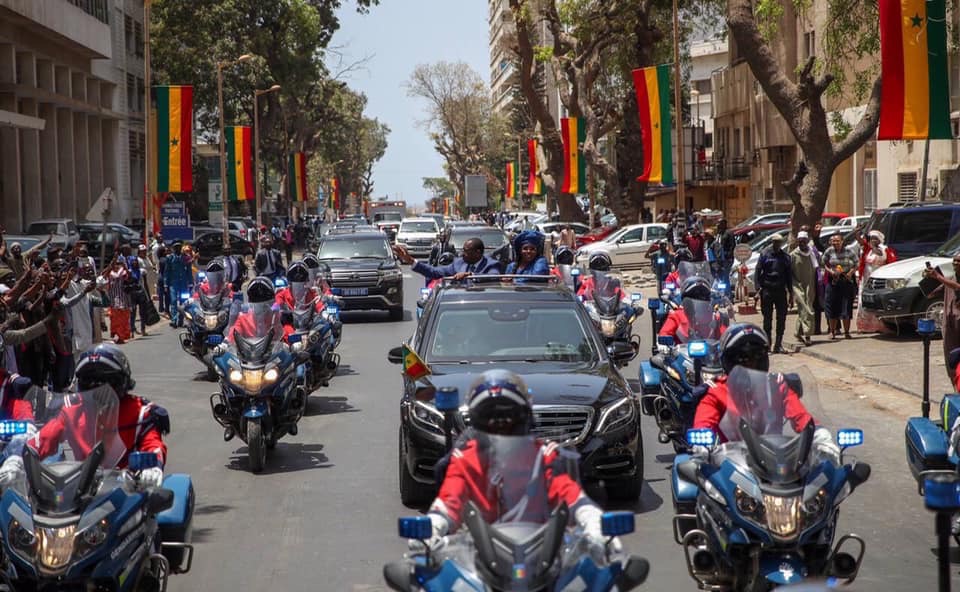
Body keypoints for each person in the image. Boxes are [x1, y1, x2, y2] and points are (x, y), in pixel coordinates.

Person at [421, 370, 609, 551]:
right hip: (478, 556)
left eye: (509, 419)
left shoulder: (543, 455)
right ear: (477, 423)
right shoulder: (465, 459)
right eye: (490, 420)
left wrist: (594, 523)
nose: (499, 427)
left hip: (542, 554)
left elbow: (572, 496)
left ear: (525, 418)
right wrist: (432, 528)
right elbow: (449, 502)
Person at [692, 323, 838, 462]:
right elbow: (703, 424)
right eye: (742, 359)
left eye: (757, 357)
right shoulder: (716, 391)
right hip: (731, 467)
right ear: (728, 362)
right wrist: (702, 446)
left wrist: (821, 436)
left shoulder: (777, 385)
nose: (750, 364)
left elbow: (801, 417)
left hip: (776, 463)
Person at [27, 344, 168, 484]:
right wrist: (20, 458)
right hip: (82, 489)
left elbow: (153, 444)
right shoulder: (72, 411)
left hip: (128, 488)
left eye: (105, 381)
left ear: (122, 381)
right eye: (89, 381)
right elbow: (43, 439)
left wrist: (153, 467)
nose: (96, 387)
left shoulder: (140, 412)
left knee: (174, 487)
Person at [923, 254, 960, 381]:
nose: (955, 263)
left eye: (958, 261)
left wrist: (938, 276)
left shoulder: (949, 281)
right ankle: (955, 382)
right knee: (950, 353)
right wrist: (929, 279)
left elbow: (957, 287)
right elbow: (930, 294)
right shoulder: (949, 279)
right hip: (949, 323)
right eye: (954, 261)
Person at [754, 233, 793, 353]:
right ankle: (768, 343)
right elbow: (758, 271)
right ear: (772, 242)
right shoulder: (765, 254)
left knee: (781, 318)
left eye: (779, 242)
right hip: (767, 290)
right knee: (767, 318)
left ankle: (778, 344)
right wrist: (757, 288)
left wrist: (791, 294)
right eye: (775, 242)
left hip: (780, 291)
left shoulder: (785, 257)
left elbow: (789, 276)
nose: (777, 244)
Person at [394, 238, 500, 282]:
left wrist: (470, 275)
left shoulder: (491, 264)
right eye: (463, 250)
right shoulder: (458, 263)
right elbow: (434, 272)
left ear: (478, 252)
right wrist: (410, 260)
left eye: (466, 251)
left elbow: (494, 276)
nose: (462, 254)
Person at [658, 277, 726, 343]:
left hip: (710, 350)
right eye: (694, 298)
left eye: (702, 298)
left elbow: (725, 336)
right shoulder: (677, 315)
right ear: (685, 300)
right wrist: (665, 340)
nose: (699, 301)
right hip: (682, 350)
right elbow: (664, 334)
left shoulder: (713, 317)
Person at [224, 277, 288, 344]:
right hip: (248, 350)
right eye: (256, 297)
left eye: (264, 301)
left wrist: (289, 342)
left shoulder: (276, 316)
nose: (261, 306)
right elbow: (233, 335)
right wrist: (227, 343)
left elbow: (286, 332)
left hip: (273, 350)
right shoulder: (243, 319)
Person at [856, 230, 894, 333]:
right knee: (863, 301)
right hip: (866, 278)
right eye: (871, 238)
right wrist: (857, 232)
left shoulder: (884, 249)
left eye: (875, 238)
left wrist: (873, 247)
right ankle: (864, 326)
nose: (873, 240)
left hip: (878, 279)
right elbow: (860, 240)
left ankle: (879, 326)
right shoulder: (867, 249)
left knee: (876, 301)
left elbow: (881, 255)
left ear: (880, 240)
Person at [821, 233, 857, 340]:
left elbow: (856, 263)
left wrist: (850, 272)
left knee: (846, 307)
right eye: (833, 241)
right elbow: (823, 263)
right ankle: (832, 332)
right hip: (833, 281)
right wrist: (830, 271)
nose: (835, 243)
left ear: (842, 241)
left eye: (837, 241)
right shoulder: (829, 251)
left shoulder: (849, 251)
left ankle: (847, 332)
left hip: (846, 281)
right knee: (832, 307)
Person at [789, 231, 818, 346]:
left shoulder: (812, 253)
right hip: (797, 285)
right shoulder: (793, 255)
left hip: (810, 285)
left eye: (804, 241)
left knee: (804, 309)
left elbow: (817, 267)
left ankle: (797, 332)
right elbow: (789, 272)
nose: (802, 243)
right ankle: (807, 335)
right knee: (807, 309)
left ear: (807, 241)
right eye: (800, 241)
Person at [163, 242, 192, 328]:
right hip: (173, 283)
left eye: (179, 247)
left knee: (183, 301)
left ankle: (181, 320)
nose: (177, 249)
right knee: (173, 300)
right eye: (176, 247)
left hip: (183, 283)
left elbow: (189, 271)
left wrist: (191, 282)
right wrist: (165, 284)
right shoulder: (170, 258)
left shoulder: (186, 257)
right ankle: (174, 320)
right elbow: (167, 271)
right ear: (173, 248)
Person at [105, 257, 132, 344]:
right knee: (115, 320)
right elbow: (103, 276)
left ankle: (121, 337)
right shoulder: (109, 274)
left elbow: (129, 277)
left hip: (123, 301)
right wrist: (110, 266)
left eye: (118, 264)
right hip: (113, 301)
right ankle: (117, 335)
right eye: (115, 264)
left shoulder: (124, 273)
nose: (116, 266)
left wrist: (125, 267)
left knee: (123, 320)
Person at [712, 219, 736, 293]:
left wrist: (728, 255)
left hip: (727, 259)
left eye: (720, 223)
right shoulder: (720, 234)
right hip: (720, 259)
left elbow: (732, 246)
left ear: (724, 224)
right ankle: (721, 292)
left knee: (725, 276)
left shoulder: (729, 233)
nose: (718, 225)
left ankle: (727, 293)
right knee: (720, 276)